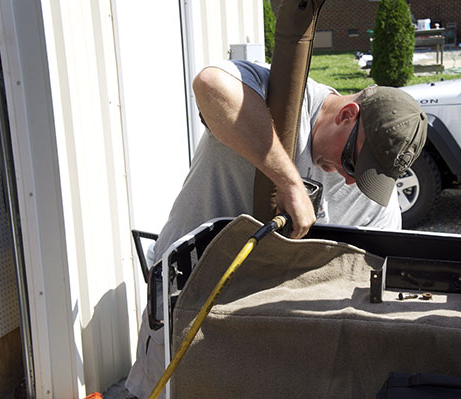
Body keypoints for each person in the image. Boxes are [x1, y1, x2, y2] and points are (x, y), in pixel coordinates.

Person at [125, 59, 427, 398]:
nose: (348, 179)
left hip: (273, 338)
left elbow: (373, 278)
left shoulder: (369, 197)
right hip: (188, 303)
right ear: (347, 115)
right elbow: (209, 85)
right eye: (352, 163)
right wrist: (289, 181)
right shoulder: (282, 96)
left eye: (367, 178)